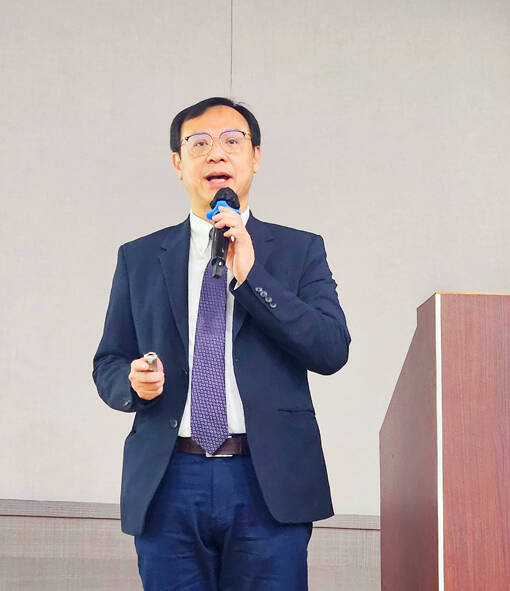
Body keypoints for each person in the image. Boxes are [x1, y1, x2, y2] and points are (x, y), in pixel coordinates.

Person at [93, 97, 350, 590]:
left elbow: (331, 349)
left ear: (255, 157)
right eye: (200, 144)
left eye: (232, 142)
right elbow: (108, 361)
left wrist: (254, 278)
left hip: (267, 479)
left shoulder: (299, 250)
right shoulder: (140, 257)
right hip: (170, 479)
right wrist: (131, 382)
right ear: (178, 163)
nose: (217, 155)